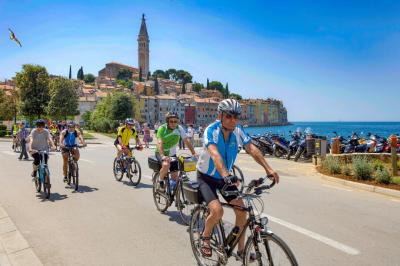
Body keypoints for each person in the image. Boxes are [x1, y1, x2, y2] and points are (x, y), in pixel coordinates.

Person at [196, 99, 280, 258]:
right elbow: (214, 154)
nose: (233, 120)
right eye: (229, 116)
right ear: (220, 115)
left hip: (224, 178)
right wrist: (227, 175)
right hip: (206, 178)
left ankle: (241, 251)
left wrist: (268, 168)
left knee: (242, 212)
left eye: (236, 116)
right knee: (217, 210)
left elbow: (251, 148)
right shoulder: (211, 130)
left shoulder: (238, 131)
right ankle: (205, 238)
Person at [156, 112, 197, 191]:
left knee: (175, 177)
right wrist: (163, 156)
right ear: (167, 121)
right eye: (171, 121)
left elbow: (186, 140)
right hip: (161, 153)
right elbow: (159, 142)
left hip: (172, 154)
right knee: (166, 164)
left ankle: (171, 193)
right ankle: (160, 180)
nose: (173, 123)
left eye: (175, 121)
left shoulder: (179, 128)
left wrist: (194, 153)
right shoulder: (162, 128)